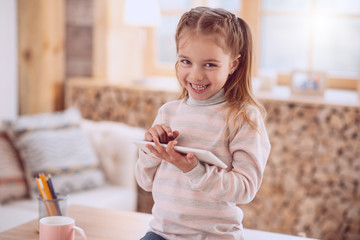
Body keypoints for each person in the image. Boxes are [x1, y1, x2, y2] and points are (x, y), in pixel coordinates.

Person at [136, 6, 271, 240]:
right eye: (186, 61)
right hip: (161, 233)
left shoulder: (242, 117)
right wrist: (151, 151)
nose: (196, 75)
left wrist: (194, 170)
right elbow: (145, 181)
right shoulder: (168, 112)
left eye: (210, 64)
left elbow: (245, 188)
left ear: (233, 64)